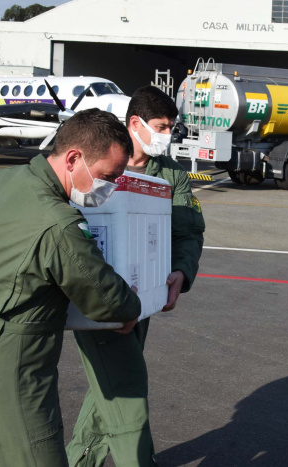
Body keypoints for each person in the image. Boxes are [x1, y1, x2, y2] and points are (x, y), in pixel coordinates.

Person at [0, 109, 143, 467]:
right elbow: (106, 299)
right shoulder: (59, 224)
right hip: (15, 385)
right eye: (108, 176)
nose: (112, 186)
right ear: (74, 158)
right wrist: (133, 306)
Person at [67, 86, 205, 467]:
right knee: (121, 380)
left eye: (171, 127)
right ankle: (120, 457)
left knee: (112, 380)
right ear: (135, 123)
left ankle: (84, 459)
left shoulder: (172, 175)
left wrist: (181, 271)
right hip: (91, 286)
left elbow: (188, 231)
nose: (167, 135)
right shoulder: (99, 155)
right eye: (161, 126)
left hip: (143, 292)